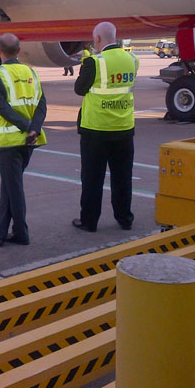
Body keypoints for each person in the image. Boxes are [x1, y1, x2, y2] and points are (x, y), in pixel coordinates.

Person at [0, 33, 47, 247]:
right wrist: (34, 129)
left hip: (8, 141)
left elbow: (2, 107)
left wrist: (27, 128)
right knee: (9, 186)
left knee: (13, 187)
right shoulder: (31, 73)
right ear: (19, 51)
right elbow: (41, 104)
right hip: (29, 141)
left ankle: (20, 233)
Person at [72, 21, 139, 233]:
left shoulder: (94, 62)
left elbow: (79, 89)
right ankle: (125, 218)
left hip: (96, 130)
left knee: (92, 179)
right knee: (122, 177)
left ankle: (89, 221)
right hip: (124, 127)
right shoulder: (132, 59)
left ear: (98, 39)